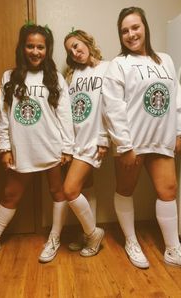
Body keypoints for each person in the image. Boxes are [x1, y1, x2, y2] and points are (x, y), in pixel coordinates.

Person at [98, 6, 181, 275]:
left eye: (135, 27)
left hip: (161, 138)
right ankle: (131, 242)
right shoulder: (118, 65)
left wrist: (179, 131)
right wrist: (124, 145)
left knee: (168, 191)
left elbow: (176, 97)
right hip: (133, 142)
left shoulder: (164, 60)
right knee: (125, 190)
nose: (131, 34)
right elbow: (113, 107)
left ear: (145, 27)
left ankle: (173, 250)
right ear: (120, 35)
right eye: (125, 30)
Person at [0, 23, 74, 264]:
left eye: (40, 47)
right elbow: (3, 116)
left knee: (57, 192)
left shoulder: (54, 78)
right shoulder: (9, 77)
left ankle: (54, 238)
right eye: (30, 46)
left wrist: (67, 147)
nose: (35, 51)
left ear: (47, 50)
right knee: (10, 194)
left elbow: (65, 115)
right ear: (22, 48)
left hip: (51, 146)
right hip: (22, 147)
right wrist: (4, 147)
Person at [62, 29, 109, 256]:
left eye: (77, 45)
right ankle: (86, 232)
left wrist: (104, 138)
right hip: (76, 139)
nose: (75, 51)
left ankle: (93, 234)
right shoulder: (74, 75)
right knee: (86, 187)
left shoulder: (107, 68)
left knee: (69, 190)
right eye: (70, 50)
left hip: (93, 138)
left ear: (88, 42)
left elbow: (111, 106)